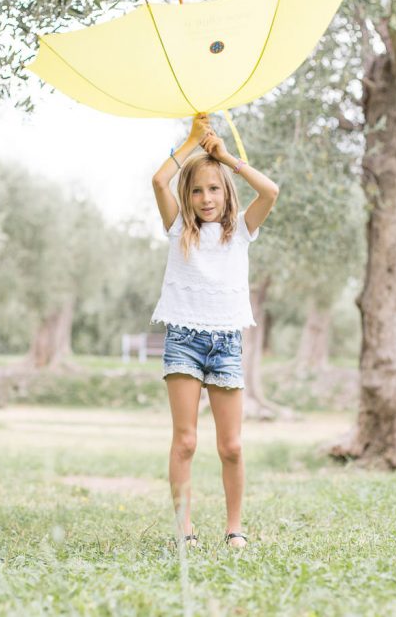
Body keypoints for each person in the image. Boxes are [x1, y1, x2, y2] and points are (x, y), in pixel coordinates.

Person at [150, 113, 279, 549]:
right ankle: (185, 529)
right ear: (188, 196)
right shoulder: (177, 230)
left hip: (226, 342)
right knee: (185, 440)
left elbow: (271, 191)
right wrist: (190, 142)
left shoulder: (241, 230)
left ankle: (234, 528)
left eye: (214, 188)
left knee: (232, 447)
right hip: (183, 340)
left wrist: (225, 157)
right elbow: (158, 180)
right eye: (198, 190)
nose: (206, 198)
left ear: (226, 194)